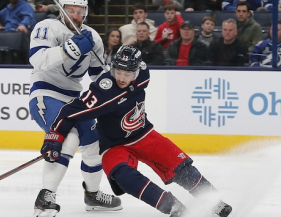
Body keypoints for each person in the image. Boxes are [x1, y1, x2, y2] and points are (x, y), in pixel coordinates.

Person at [41, 45, 233, 217]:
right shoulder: (103, 92)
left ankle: (214, 202)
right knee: (124, 177)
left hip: (145, 134)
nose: (121, 78)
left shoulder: (143, 74)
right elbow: (70, 112)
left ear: (137, 71)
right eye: (118, 71)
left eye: (127, 73)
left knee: (182, 168)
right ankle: (174, 208)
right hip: (114, 146)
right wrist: (54, 136)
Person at [28, 0, 122, 217]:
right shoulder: (47, 27)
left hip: (75, 100)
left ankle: (92, 195)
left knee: (94, 144)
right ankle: (45, 197)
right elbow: (37, 59)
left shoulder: (93, 37)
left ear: (85, 12)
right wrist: (68, 49)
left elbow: (98, 76)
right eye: (70, 10)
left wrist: (116, 85)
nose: (75, 15)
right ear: (62, 11)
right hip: (46, 93)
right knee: (67, 138)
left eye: (79, 11)